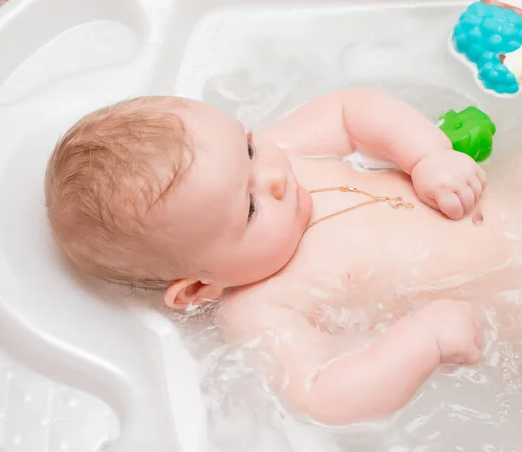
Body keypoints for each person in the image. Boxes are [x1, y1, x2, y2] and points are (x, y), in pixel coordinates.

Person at [45, 88, 522, 425]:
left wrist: (427, 156)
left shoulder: (284, 154)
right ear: (197, 288)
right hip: (507, 293)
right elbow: (323, 395)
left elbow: (349, 109)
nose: (273, 176)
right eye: (250, 207)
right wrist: (425, 341)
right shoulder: (260, 308)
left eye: (249, 146)